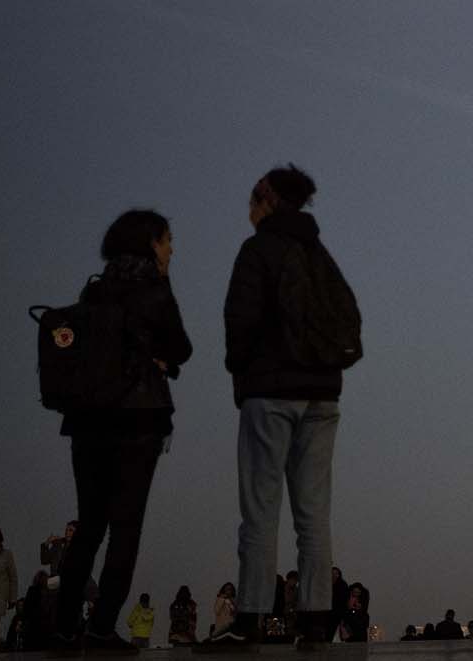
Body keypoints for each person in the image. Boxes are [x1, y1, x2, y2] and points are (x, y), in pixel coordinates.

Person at [205, 166, 356, 649]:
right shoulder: (320, 255)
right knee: (314, 514)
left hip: (271, 391)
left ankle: (248, 617)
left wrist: (244, 373)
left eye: (253, 196)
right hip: (323, 394)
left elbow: (239, 321)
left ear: (267, 198)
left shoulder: (257, 251)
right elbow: (350, 315)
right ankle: (314, 620)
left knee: (261, 509)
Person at [53, 209, 194, 652]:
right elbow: (181, 347)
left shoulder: (94, 292)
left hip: (88, 423)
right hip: (138, 420)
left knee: (90, 524)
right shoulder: (152, 290)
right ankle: (101, 627)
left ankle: (63, 626)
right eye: (168, 239)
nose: (172, 248)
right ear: (151, 243)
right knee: (125, 527)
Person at [329, 567, 348, 643]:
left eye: (336, 573)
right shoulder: (325, 584)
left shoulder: (342, 585)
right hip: (327, 613)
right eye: (332, 573)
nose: (334, 575)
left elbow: (343, 600)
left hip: (337, 613)